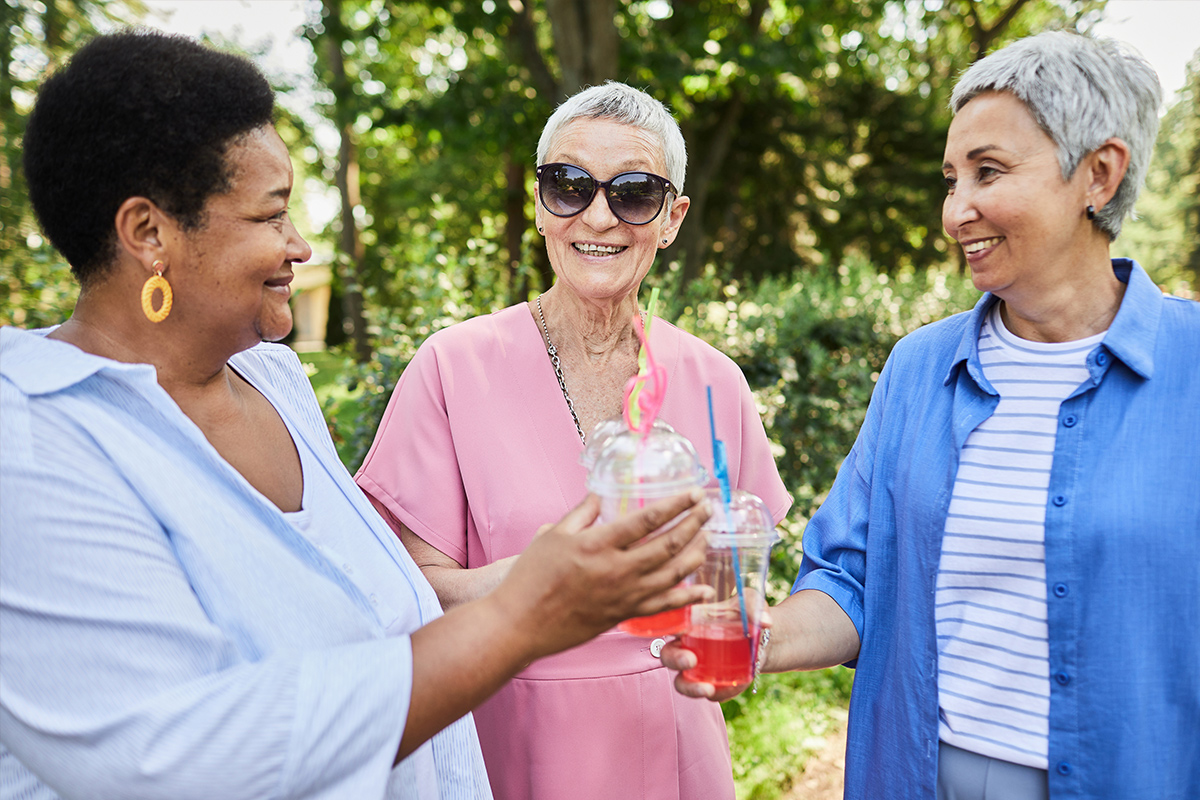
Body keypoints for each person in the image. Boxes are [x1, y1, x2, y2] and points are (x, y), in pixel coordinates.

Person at [0, 30, 717, 800]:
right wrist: (526, 612)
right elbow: (170, 762)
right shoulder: (35, 442)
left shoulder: (274, 380)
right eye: (271, 216)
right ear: (149, 235)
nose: (300, 246)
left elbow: (382, 616)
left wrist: (564, 580)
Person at [664, 31, 1200, 800]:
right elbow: (849, 579)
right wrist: (757, 640)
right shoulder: (920, 368)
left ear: (1099, 174)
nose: (956, 211)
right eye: (951, 179)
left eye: (988, 172)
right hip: (915, 776)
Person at [355, 81, 791, 800]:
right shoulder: (452, 366)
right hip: (515, 746)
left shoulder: (717, 383)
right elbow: (406, 597)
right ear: (538, 205)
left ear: (672, 217)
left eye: (634, 193)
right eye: (568, 185)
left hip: (681, 749)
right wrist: (553, 580)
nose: (599, 216)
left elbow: (739, 585)